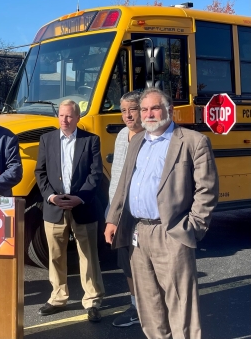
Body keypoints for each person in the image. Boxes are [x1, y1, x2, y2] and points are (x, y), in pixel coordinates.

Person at [104, 88, 219, 339]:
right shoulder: (137, 141)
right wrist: (113, 218)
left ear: (170, 110)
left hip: (172, 232)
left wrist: (192, 227)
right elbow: (124, 183)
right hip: (138, 231)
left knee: (180, 303)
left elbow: (207, 189)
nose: (149, 114)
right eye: (144, 109)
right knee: (149, 304)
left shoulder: (191, 141)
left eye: (155, 108)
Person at [34, 99, 105, 322]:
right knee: (55, 255)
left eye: (69, 116)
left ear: (77, 118)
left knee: (88, 255)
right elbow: (40, 172)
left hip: (82, 206)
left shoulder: (91, 140)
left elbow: (95, 174)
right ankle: (57, 297)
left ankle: (92, 299)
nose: (64, 120)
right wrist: (51, 196)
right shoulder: (47, 139)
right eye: (61, 116)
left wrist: (80, 198)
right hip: (54, 206)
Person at [108, 91, 144, 328]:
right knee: (126, 262)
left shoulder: (151, 136)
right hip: (120, 212)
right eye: (123, 110)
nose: (128, 115)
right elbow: (116, 177)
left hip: (143, 214)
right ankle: (135, 306)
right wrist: (111, 213)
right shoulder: (122, 135)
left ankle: (152, 306)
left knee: (146, 262)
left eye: (132, 109)